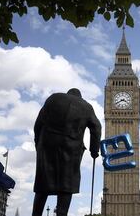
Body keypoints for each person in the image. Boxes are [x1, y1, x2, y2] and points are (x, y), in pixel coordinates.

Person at [32, 88, 101, 216]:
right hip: (71, 149)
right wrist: (94, 150)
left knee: (42, 186)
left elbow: (38, 124)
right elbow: (96, 127)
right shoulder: (86, 106)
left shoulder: (53, 98)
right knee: (66, 186)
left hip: (47, 145)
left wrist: (38, 143)